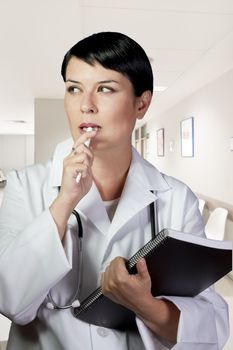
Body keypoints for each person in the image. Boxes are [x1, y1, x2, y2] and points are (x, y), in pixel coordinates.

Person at [0, 32, 229, 350]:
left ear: (142, 103)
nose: (85, 105)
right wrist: (64, 201)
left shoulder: (176, 199)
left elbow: (212, 328)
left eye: (105, 89)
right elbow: (9, 300)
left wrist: (146, 306)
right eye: (73, 89)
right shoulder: (25, 186)